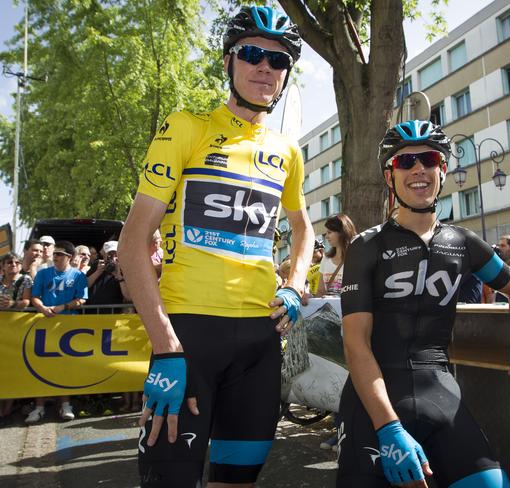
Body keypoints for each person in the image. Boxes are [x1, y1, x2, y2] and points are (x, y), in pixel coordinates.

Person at [118, 6, 314, 487]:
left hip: (259, 342)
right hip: (188, 337)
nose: (265, 68)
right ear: (229, 62)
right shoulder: (186, 126)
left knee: (237, 481)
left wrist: (293, 285)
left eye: (278, 60)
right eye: (252, 54)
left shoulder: (287, 151)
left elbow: (303, 229)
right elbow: (132, 241)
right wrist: (164, 346)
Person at [337, 120, 510, 488]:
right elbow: (355, 344)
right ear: (390, 177)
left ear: (443, 170)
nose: (419, 169)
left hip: (440, 391)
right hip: (373, 401)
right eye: (405, 163)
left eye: (429, 159)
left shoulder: (463, 242)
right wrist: (388, 427)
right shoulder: (366, 246)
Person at [28, 240, 88, 423]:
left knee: (65, 366)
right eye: (55, 254)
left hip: (69, 328)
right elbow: (34, 297)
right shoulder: (43, 273)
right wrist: (43, 308)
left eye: (60, 255)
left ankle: (65, 404)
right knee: (41, 366)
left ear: (69, 257)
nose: (55, 257)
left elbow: (82, 299)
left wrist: (63, 306)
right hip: (45, 326)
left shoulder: (78, 275)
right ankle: (38, 407)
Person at [317, 214, 357, 296]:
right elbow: (320, 291)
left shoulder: (357, 259)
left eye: (329, 232)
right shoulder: (326, 259)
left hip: (350, 308)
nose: (326, 237)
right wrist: (310, 297)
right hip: (330, 308)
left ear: (342, 232)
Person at [86, 241, 130, 310]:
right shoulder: (97, 265)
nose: (113, 258)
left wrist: (119, 275)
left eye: (116, 254)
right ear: (104, 255)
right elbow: (85, 285)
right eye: (110, 254)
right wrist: (98, 272)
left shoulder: (124, 269)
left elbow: (128, 297)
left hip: (113, 314)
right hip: (91, 313)